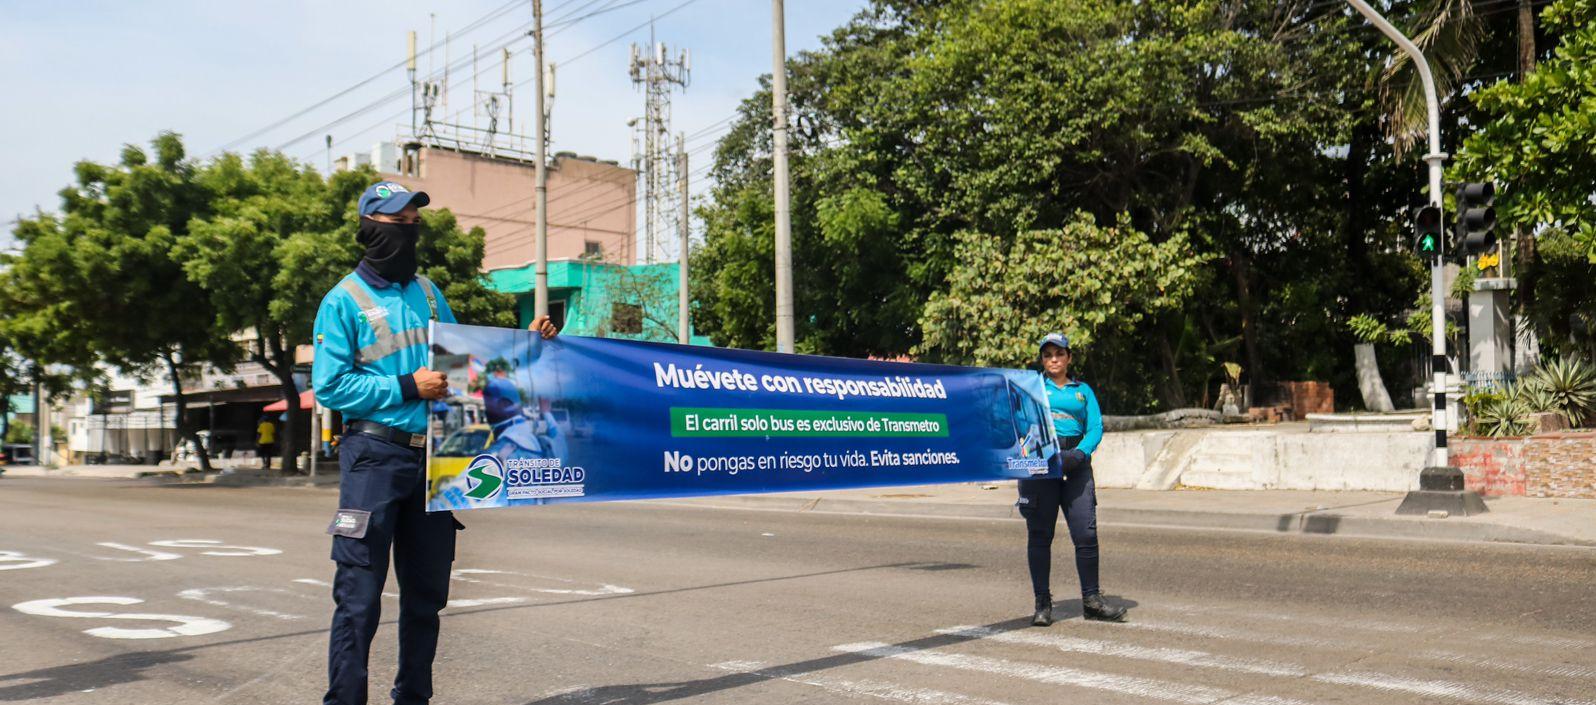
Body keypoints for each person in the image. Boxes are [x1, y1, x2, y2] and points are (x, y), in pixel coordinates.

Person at [312, 180, 559, 705]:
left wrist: (525, 343)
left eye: (413, 223)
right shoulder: (343, 300)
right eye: (397, 223)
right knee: (359, 597)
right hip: (374, 456)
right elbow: (330, 387)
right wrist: (407, 386)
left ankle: (413, 698)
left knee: (426, 598)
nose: (408, 232)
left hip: (435, 458)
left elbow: (464, 359)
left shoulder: (428, 292)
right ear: (370, 228)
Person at [1017, 332, 1127, 626]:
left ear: (1069, 358)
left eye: (1059, 354)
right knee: (1040, 535)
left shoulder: (1083, 391)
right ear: (1042, 360)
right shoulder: (1031, 388)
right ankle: (1042, 604)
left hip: (1076, 465)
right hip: (1041, 465)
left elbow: (1095, 427)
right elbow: (1017, 422)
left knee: (1086, 535)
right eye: (1048, 355)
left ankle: (1092, 601)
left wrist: (1080, 453)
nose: (1054, 359)